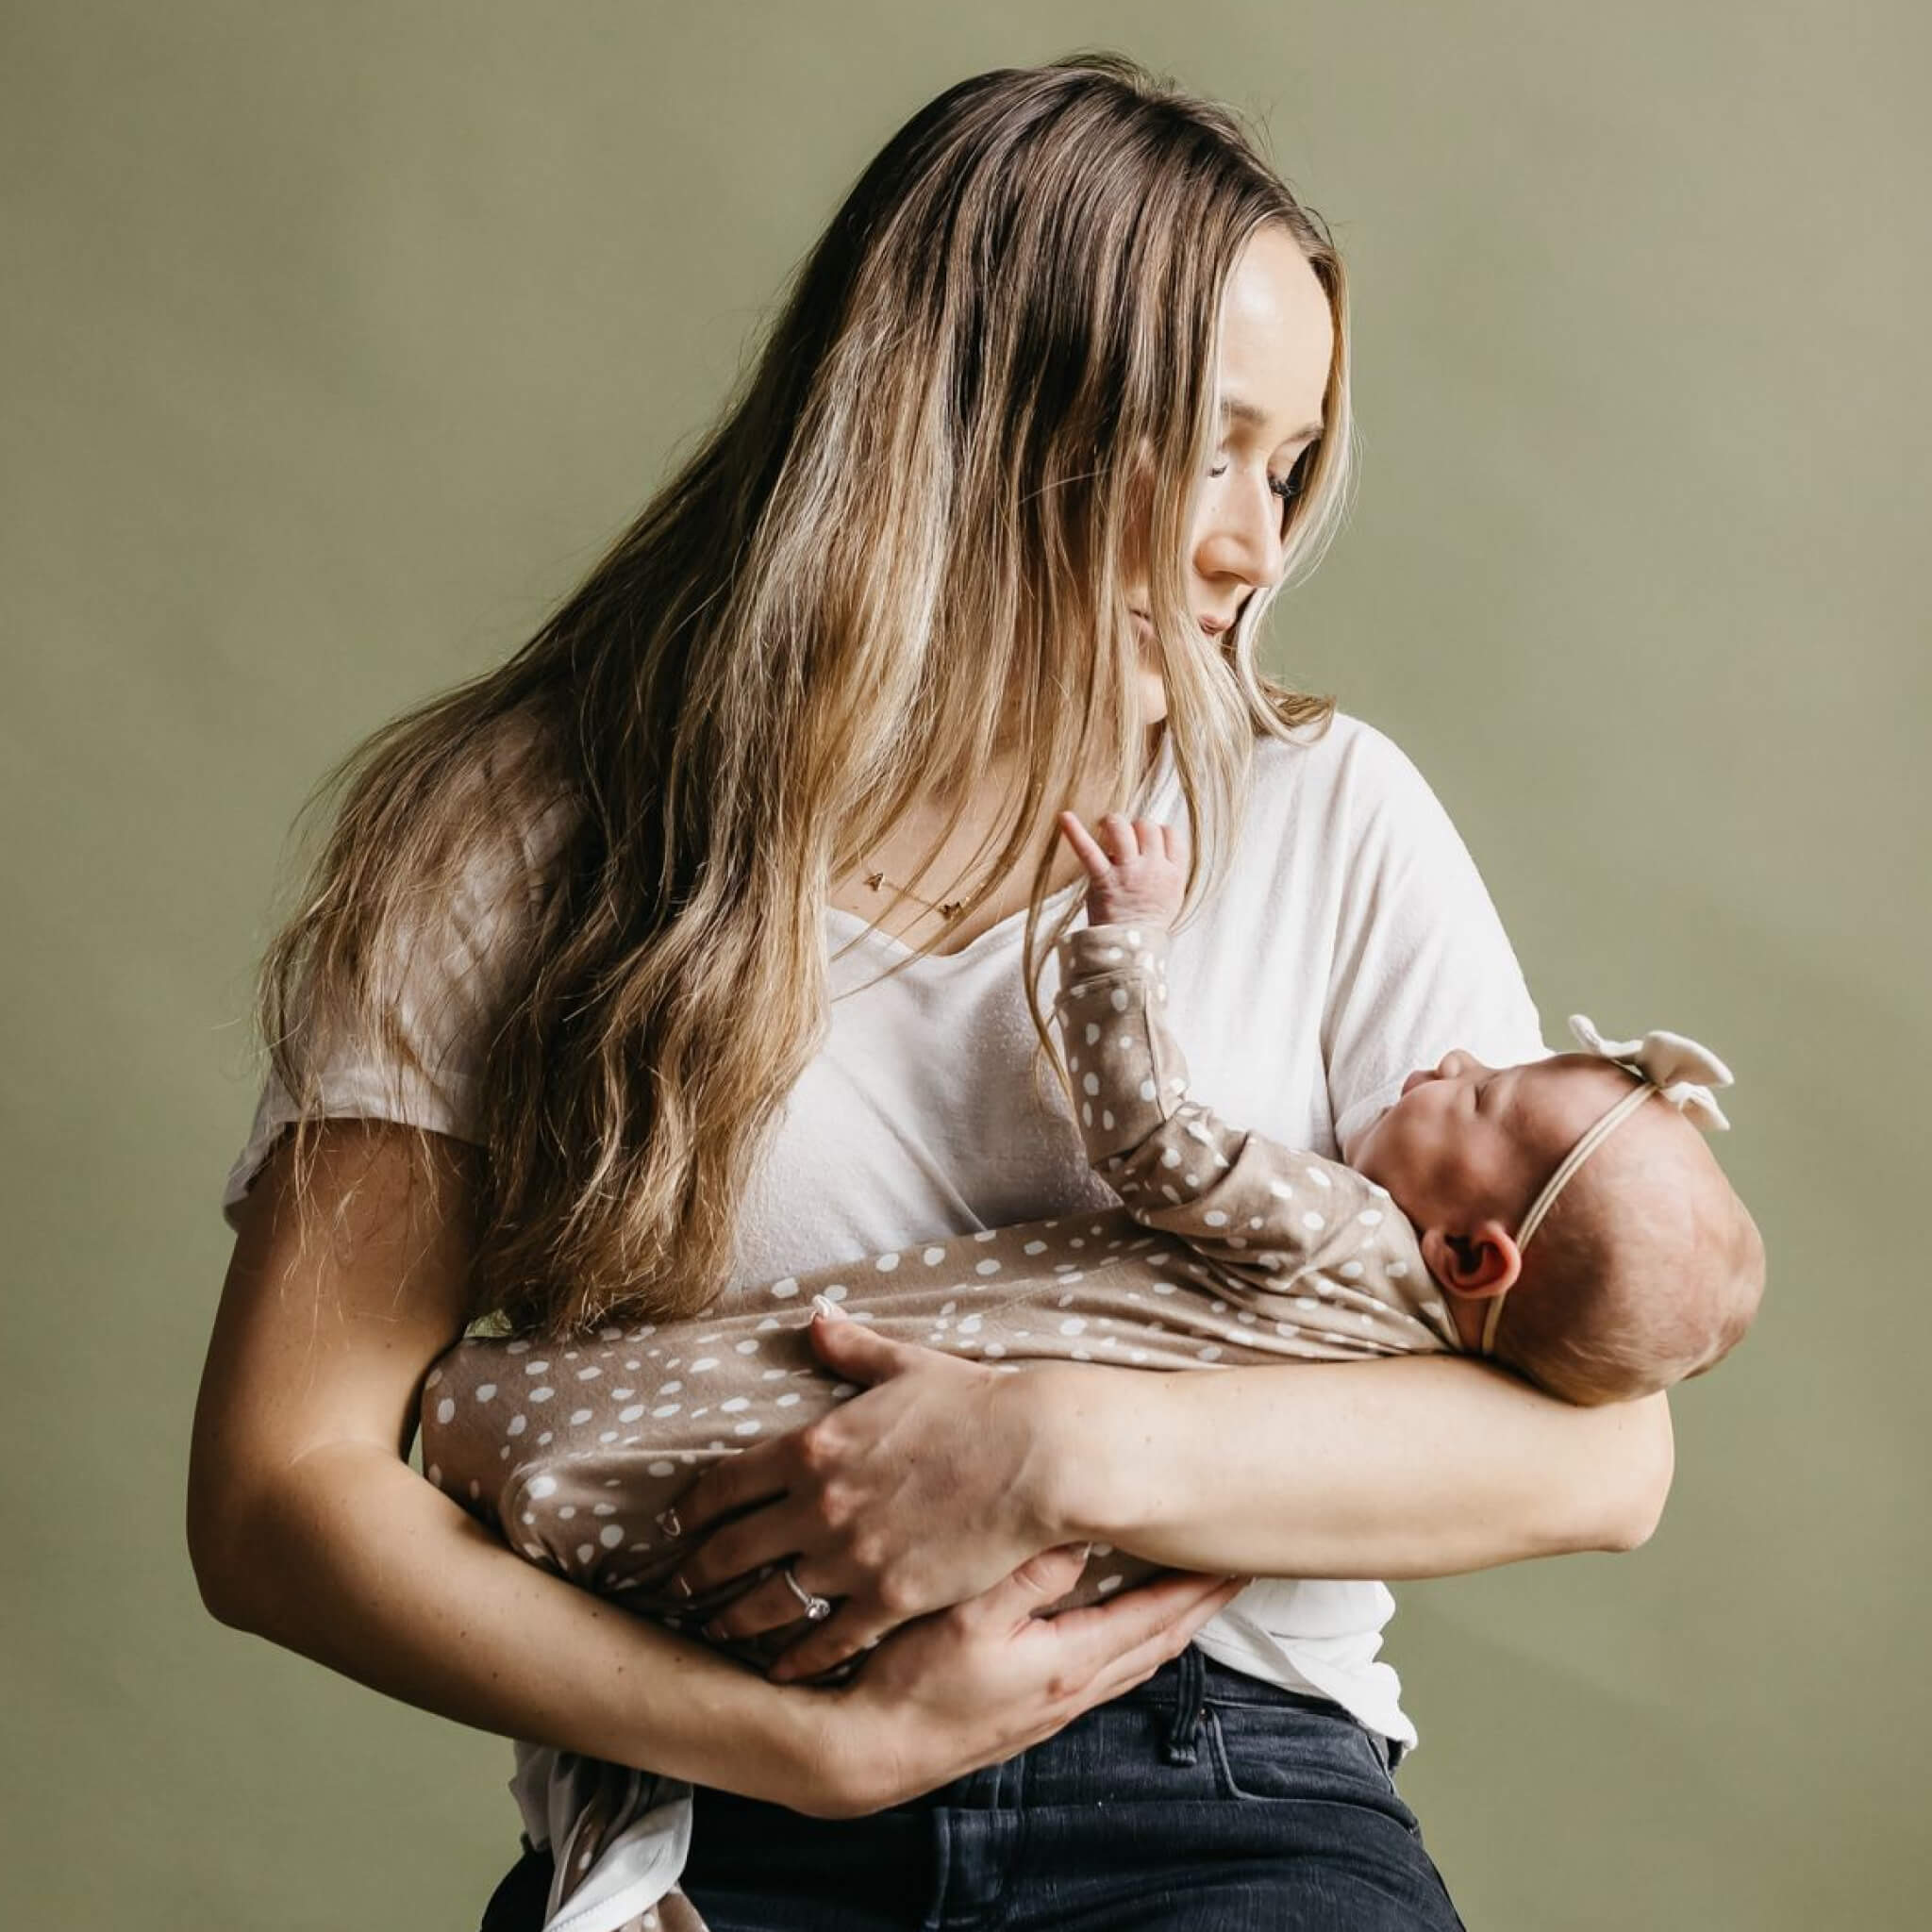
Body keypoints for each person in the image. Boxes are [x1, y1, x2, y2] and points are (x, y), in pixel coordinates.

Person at [187, 53, 1740, 1931]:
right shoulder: (513, 830)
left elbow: (1597, 1450)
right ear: (986, 418)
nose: (1256, 547)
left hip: (1218, 1785)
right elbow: (282, 1493)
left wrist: (1044, 1448)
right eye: (1213, 448)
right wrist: (808, 1753)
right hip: (708, 1811)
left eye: (1292, 464)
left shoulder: (1330, 815)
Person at [416, 809, 1765, 1931]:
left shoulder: (1346, 1219)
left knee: (703, 1435)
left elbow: (1163, 1146)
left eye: (1482, 1100)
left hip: (1211, 1755)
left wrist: (1120, 948)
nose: (1464, 1061)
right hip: (750, 1765)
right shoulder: (564, 805)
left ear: (1476, 1261)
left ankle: (501, 1450)